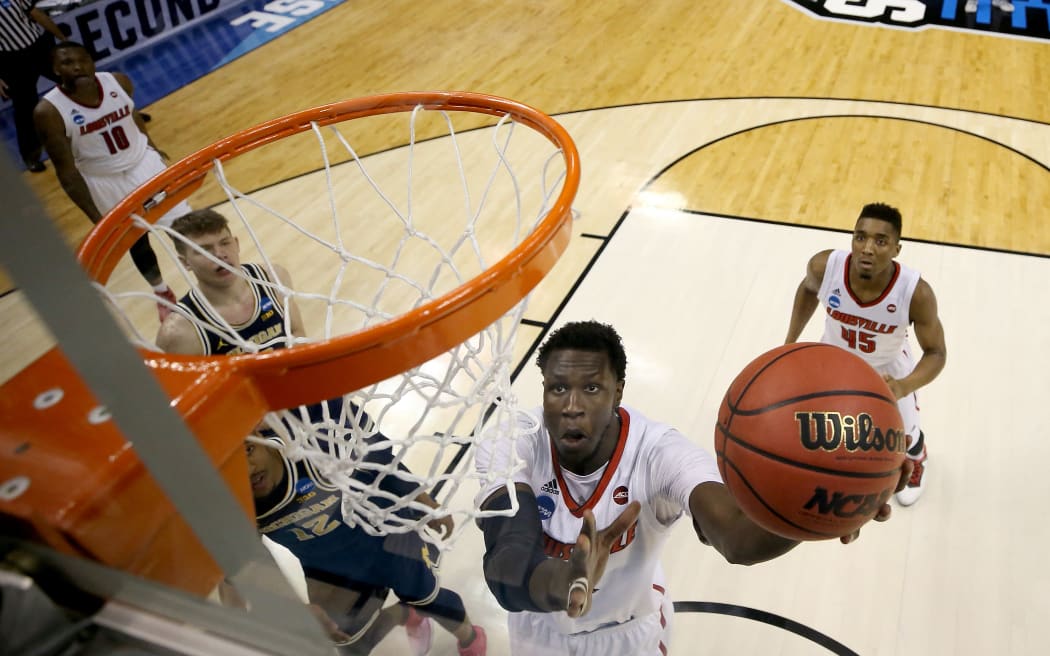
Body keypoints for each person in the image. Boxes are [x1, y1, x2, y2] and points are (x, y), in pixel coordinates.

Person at [474, 320, 911, 655]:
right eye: (557, 388)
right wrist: (566, 581)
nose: (571, 406)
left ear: (618, 392)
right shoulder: (512, 442)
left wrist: (823, 501)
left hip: (629, 637)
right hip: (540, 631)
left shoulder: (659, 452)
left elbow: (736, 538)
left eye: (591, 388)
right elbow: (507, 564)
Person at [237, 400, 488, 655]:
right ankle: (402, 614)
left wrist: (423, 499)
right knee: (344, 639)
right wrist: (291, 605)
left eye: (248, 451)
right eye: (234, 464)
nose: (247, 470)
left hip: (387, 538)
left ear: (259, 433)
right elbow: (245, 561)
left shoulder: (314, 444)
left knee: (427, 599)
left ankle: (470, 637)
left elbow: (382, 463)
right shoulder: (232, 501)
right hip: (328, 569)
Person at [784, 202, 946, 506]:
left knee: (905, 432)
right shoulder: (824, 266)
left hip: (887, 369)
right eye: (860, 237)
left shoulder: (916, 293)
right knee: (820, 420)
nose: (867, 248)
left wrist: (903, 386)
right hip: (833, 359)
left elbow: (937, 353)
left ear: (897, 248)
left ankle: (918, 458)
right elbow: (808, 289)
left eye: (880, 241)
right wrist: (789, 343)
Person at [33, 41, 187, 320]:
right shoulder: (49, 112)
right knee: (137, 243)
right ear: (55, 69)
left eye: (82, 60)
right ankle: (162, 292)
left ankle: (204, 276)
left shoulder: (118, 81)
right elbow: (66, 172)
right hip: (104, 180)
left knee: (185, 227)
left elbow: (132, 115)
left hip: (144, 164)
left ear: (93, 61)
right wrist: (95, 216)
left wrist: (151, 146)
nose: (77, 67)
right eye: (67, 63)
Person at [156, 208, 305, 355]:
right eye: (204, 250)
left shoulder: (273, 278)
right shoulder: (178, 332)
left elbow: (297, 331)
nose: (219, 254)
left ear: (237, 244)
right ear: (185, 263)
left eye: (225, 243)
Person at [0, 0, 64, 172]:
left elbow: (36, 13)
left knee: (74, 80)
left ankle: (120, 113)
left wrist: (63, 39)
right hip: (11, 60)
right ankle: (31, 156)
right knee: (25, 110)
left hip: (39, 47)